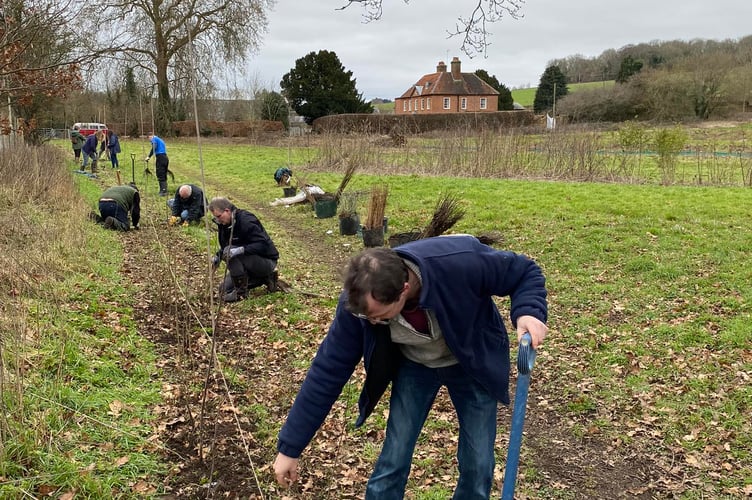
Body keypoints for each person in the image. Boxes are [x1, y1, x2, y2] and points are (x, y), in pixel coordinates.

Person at [273, 235, 549, 499]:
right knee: (394, 454)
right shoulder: (358, 307)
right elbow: (327, 371)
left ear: (404, 290)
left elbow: (524, 271)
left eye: (378, 317)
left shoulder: (459, 262)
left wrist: (528, 311)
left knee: (478, 463)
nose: (369, 321)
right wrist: (290, 447)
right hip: (415, 366)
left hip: (470, 362)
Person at [208, 197, 280, 302]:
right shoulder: (224, 225)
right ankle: (264, 278)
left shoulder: (246, 220)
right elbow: (225, 246)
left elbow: (263, 244)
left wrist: (241, 250)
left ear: (227, 211)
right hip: (247, 262)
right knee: (223, 290)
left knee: (230, 252)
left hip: (266, 261)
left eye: (219, 216)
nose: (218, 220)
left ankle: (240, 293)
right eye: (216, 217)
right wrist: (218, 257)